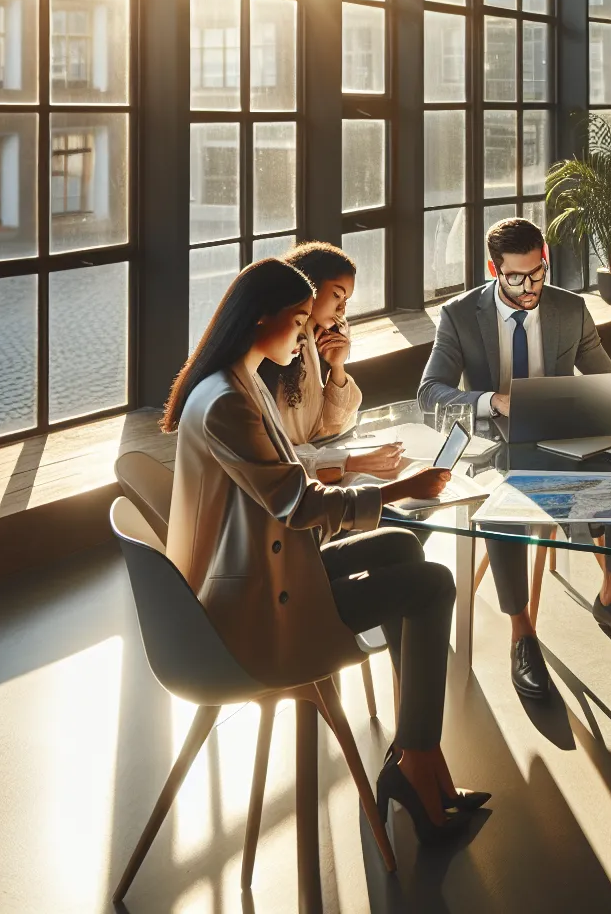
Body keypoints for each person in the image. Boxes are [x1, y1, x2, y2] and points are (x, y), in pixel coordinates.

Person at [163, 258, 485, 844]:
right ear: (262, 319)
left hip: (269, 567)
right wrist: (399, 489)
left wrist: (381, 502)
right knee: (433, 583)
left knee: (400, 548)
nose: (306, 333)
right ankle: (418, 761)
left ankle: (419, 752)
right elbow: (297, 504)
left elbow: (294, 490)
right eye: (299, 320)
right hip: (252, 609)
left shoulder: (238, 383)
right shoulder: (227, 403)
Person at [418, 218, 611, 708]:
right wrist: (492, 401)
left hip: (570, 440)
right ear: (493, 269)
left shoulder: (569, 307)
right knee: (503, 506)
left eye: (537, 273)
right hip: (499, 447)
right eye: (516, 277)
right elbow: (429, 393)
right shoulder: (460, 315)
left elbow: (605, 380)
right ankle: (522, 633)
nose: (529, 288)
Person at [264, 242, 404, 483]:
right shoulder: (276, 349)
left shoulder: (313, 338)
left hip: (310, 473)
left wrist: (337, 367)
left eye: (346, 300)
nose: (341, 309)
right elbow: (274, 457)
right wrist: (353, 462)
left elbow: (331, 428)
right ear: (309, 285)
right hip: (286, 483)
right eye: (337, 294)